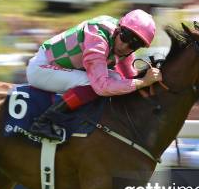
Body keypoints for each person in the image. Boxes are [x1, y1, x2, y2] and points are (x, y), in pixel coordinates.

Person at [26, 9, 162, 140]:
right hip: (41, 68)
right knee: (94, 83)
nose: (125, 46)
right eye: (125, 37)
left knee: (116, 79)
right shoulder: (97, 37)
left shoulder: (121, 43)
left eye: (135, 44)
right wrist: (143, 82)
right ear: (119, 29)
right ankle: (44, 121)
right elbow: (101, 87)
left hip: (62, 69)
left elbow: (129, 78)